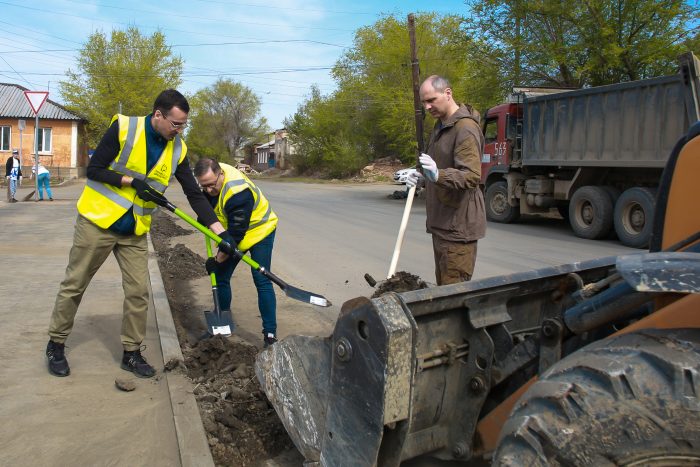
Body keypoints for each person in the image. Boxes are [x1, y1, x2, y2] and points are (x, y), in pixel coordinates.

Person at [45, 89, 225, 378]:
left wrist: (219, 231)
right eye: (176, 124)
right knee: (75, 283)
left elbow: (194, 193)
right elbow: (94, 170)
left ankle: (131, 352)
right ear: (158, 115)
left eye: (183, 125)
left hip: (134, 231)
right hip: (97, 222)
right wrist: (130, 182)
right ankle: (56, 343)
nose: (179, 131)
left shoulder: (178, 148)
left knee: (139, 292)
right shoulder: (124, 128)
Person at [407, 75, 486, 285]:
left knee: (453, 295)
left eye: (431, 100)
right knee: (443, 288)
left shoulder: (465, 128)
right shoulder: (441, 127)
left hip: (458, 228)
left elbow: (471, 176)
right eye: (424, 102)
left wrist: (438, 175)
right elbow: (435, 165)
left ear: (448, 93)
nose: (427, 106)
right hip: (442, 225)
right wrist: (422, 177)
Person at [193, 158, 279, 348]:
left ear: (220, 174)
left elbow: (235, 237)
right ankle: (222, 324)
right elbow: (207, 201)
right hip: (233, 231)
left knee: (261, 279)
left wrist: (217, 259)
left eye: (211, 185)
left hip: (260, 231)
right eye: (204, 186)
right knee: (221, 276)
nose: (208, 190)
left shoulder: (238, 193)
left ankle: (270, 335)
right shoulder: (213, 176)